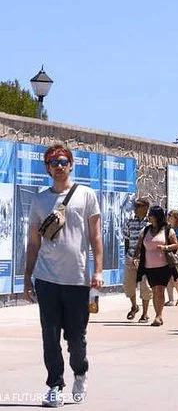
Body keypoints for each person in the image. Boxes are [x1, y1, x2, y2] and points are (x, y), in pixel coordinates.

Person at [23, 144, 104, 406]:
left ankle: (80, 372)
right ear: (47, 168)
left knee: (76, 338)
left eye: (62, 161)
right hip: (46, 279)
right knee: (50, 335)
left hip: (77, 279)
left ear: (71, 164)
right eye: (53, 162)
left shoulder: (86, 195)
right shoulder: (39, 199)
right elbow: (34, 243)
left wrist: (99, 271)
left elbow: (95, 236)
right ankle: (55, 385)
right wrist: (27, 277)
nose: (58, 167)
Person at [136, 206, 178, 327]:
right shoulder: (146, 230)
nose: (149, 217)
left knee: (160, 290)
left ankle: (158, 316)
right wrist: (135, 257)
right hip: (149, 266)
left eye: (151, 215)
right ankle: (157, 314)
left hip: (164, 266)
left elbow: (175, 245)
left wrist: (165, 247)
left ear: (158, 216)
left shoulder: (167, 230)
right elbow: (140, 245)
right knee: (154, 291)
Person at [122, 197, 151, 322]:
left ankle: (145, 314)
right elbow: (126, 240)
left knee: (145, 286)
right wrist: (128, 255)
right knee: (128, 285)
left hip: (145, 260)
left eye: (137, 206)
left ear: (145, 208)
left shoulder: (150, 224)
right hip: (130, 257)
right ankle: (134, 306)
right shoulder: (129, 222)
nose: (135, 209)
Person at [165, 209, 178, 306]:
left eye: (170, 215)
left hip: (176, 256)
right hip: (167, 255)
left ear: (175, 217)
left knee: (175, 277)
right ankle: (171, 299)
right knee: (168, 278)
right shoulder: (166, 228)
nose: (168, 217)